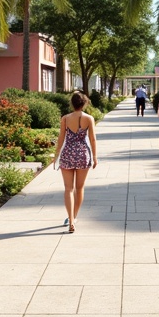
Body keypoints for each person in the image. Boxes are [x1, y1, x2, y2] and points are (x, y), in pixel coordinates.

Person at [54, 90, 97, 232]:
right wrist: (95, 157)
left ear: (72, 103)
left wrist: (56, 156)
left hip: (68, 153)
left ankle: (71, 219)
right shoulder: (89, 118)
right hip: (83, 154)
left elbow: (61, 138)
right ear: (84, 103)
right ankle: (75, 216)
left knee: (68, 189)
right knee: (79, 188)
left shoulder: (65, 118)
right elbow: (92, 139)